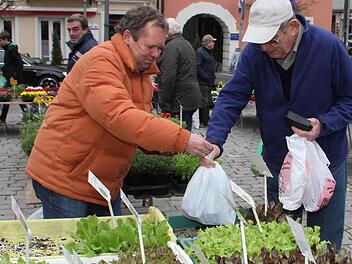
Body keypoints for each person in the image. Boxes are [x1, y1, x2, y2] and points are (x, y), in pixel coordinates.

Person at [26, 6, 214, 219]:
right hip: (65, 179)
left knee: (109, 247)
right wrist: (182, 138)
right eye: (150, 47)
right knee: (71, 246)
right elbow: (119, 116)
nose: (156, 55)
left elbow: (138, 127)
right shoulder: (101, 61)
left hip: (101, 181)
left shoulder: (140, 72)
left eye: (160, 48)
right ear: (127, 37)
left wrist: (171, 146)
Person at [201, 0, 352, 249]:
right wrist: (215, 140)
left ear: (292, 27)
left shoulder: (328, 47)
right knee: (278, 241)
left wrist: (323, 124)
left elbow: (348, 98)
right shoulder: (255, 53)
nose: (264, 47)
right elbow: (233, 95)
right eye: (260, 41)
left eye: (271, 40)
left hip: (325, 162)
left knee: (326, 245)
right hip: (278, 162)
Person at [157, 18, 202, 131]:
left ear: (167, 32)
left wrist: (165, 103)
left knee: (178, 136)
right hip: (189, 97)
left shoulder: (171, 47)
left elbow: (168, 76)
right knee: (186, 132)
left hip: (179, 99)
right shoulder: (185, 43)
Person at [0, 31, 27, 123]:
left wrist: (14, 76)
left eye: (1, 41)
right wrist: (3, 69)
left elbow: (19, 64)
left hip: (13, 79)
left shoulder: (12, 49)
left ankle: (28, 115)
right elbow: (9, 64)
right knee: (7, 97)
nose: (0, 43)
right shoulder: (8, 48)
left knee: (15, 97)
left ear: (6, 39)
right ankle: (2, 118)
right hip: (10, 77)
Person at [196, 34, 216, 128]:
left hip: (208, 82)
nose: (213, 43)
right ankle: (204, 122)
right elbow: (198, 66)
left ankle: (206, 120)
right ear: (207, 43)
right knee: (205, 102)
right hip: (203, 82)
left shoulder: (208, 52)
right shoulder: (200, 52)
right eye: (212, 41)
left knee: (208, 101)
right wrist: (206, 77)